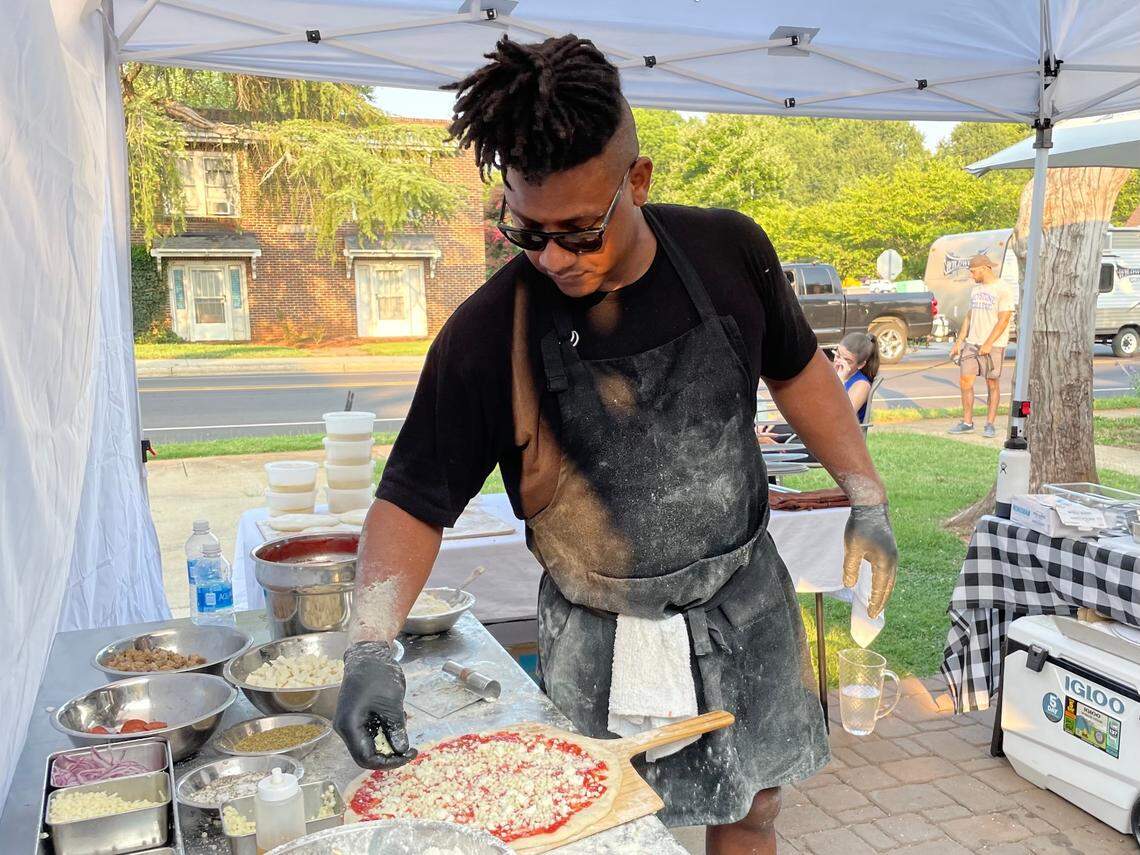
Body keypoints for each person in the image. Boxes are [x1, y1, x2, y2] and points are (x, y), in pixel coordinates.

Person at [333, 35, 899, 855]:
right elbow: (413, 500)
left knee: (753, 810)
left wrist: (868, 497)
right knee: (599, 834)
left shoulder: (728, 253)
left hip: (743, 603)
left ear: (638, 180)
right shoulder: (491, 334)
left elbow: (800, 369)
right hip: (599, 633)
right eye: (527, 231)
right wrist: (368, 644)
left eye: (580, 231)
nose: (555, 258)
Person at [948, 253, 1015, 438]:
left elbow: (1004, 319)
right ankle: (967, 422)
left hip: (993, 345)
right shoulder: (976, 289)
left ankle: (990, 424)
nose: (971, 275)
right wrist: (959, 342)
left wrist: (988, 343)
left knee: (991, 383)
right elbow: (969, 316)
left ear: (985, 268)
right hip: (972, 343)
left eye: (973, 271)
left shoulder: (1003, 289)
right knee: (965, 381)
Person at [833, 332, 880, 424]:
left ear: (861, 365)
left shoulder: (862, 385)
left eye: (847, 361)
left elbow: (842, 418)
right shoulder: (833, 370)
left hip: (843, 434)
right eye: (837, 355)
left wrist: (839, 382)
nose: (839, 362)